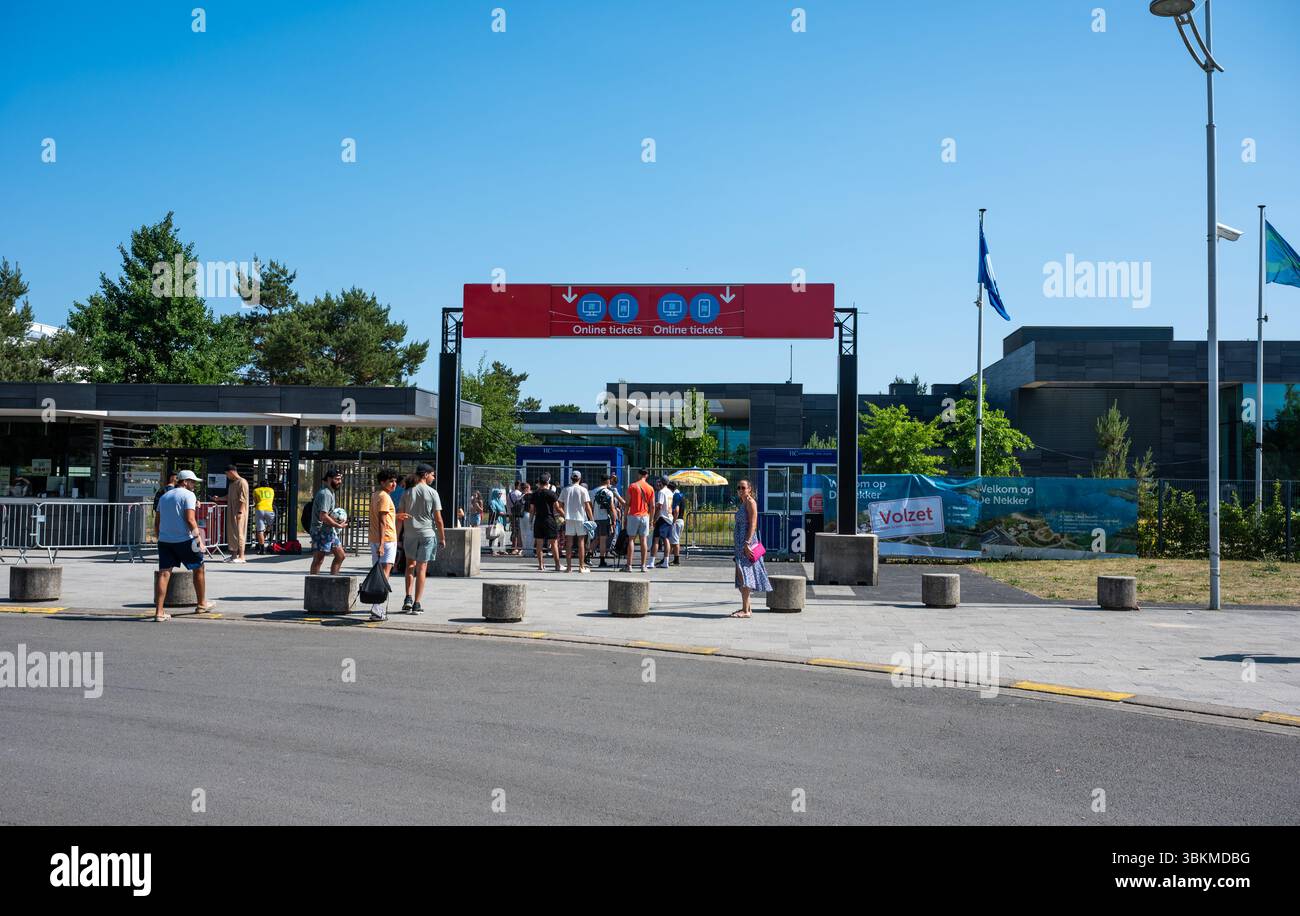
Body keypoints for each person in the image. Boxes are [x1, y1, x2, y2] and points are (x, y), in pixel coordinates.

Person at [153, 470, 216, 621]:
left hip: (165, 540)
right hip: (184, 539)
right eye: (193, 482)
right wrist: (198, 540)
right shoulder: (188, 495)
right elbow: (190, 519)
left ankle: (159, 612)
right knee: (199, 567)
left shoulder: (164, 496)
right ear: (185, 482)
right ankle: (201, 604)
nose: (194, 485)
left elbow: (157, 521)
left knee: (164, 573)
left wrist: (159, 536)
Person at [397, 463, 444, 614]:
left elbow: (400, 516)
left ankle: (407, 598)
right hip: (427, 534)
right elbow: (438, 519)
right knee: (422, 568)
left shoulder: (407, 492)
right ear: (425, 475)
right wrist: (442, 537)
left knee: (409, 566)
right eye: (432, 474)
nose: (434, 477)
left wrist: (397, 537)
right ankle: (417, 603)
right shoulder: (432, 493)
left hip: (409, 534)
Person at [731, 479, 772, 618]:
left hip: (746, 544)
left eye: (743, 487)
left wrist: (747, 543)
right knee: (742, 576)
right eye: (738, 488)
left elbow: (753, 524)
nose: (740, 490)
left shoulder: (750, 502)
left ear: (749, 489)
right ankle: (747, 607)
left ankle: (746, 610)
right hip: (740, 545)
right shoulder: (743, 503)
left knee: (745, 576)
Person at [367, 468, 399, 621]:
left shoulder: (376, 495)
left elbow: (384, 516)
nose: (394, 484)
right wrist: (381, 544)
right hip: (385, 540)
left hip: (376, 539)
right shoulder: (385, 497)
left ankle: (376, 606)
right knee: (384, 575)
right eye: (390, 481)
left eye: (395, 481)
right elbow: (382, 521)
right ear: (382, 482)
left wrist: (397, 515)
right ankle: (377, 607)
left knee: (380, 573)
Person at [309, 468, 348, 575]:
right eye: (337, 479)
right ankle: (314, 584)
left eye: (340, 479)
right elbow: (323, 516)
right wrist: (337, 525)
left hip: (329, 530)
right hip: (320, 531)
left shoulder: (330, 492)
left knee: (340, 556)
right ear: (329, 479)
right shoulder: (325, 494)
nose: (339, 481)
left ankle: (333, 579)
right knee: (319, 559)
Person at [559, 471, 594, 573]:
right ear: (580, 478)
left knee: (569, 543)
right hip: (581, 518)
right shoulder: (583, 490)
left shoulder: (566, 489)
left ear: (571, 478)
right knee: (581, 543)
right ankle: (581, 567)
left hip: (569, 518)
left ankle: (569, 567)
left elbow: (558, 505)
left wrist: (564, 514)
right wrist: (592, 519)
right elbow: (587, 506)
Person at [623, 468, 654, 572]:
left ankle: (629, 565)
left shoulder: (632, 486)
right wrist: (651, 520)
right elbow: (652, 506)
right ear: (647, 475)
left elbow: (627, 503)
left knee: (631, 539)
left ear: (639, 475)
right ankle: (643, 566)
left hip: (633, 515)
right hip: (645, 516)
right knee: (643, 540)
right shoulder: (650, 488)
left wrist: (625, 516)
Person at [530, 474, 563, 572]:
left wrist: (530, 521)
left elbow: (532, 509)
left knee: (539, 544)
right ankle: (557, 565)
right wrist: (565, 515)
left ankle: (541, 565)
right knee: (554, 543)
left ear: (539, 483)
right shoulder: (551, 493)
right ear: (547, 482)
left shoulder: (534, 494)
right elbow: (557, 507)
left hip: (538, 519)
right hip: (549, 519)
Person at [221, 464, 250, 563]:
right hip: (232, 512)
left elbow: (243, 498)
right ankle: (234, 556)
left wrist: (240, 512)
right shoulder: (232, 484)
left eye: (226, 474)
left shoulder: (242, 482)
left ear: (231, 472)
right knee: (232, 533)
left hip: (239, 513)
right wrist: (217, 498)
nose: (227, 476)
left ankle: (242, 557)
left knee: (240, 533)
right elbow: (229, 496)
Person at [591, 473, 619, 568]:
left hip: (595, 518)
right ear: (608, 481)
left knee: (597, 538)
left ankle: (587, 555)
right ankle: (602, 561)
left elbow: (590, 506)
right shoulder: (608, 492)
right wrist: (614, 520)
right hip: (604, 518)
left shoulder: (593, 491)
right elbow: (612, 508)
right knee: (602, 540)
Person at [649, 476, 673, 569]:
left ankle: (651, 561)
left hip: (662, 517)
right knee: (666, 539)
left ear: (661, 483)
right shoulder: (670, 492)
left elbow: (659, 506)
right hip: (669, 517)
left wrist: (654, 519)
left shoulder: (661, 492)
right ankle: (666, 561)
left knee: (656, 539)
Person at [252, 477, 277, 554]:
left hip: (259, 509)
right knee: (270, 525)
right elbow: (271, 500)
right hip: (269, 509)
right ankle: (267, 531)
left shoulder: (256, 490)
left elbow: (255, 501)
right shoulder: (271, 490)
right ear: (268, 485)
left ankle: (262, 549)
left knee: (259, 530)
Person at [668, 481, 685, 565]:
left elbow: (676, 510)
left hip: (677, 520)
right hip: (680, 520)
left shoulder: (676, 496)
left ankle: (676, 560)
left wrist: (673, 521)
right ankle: (666, 558)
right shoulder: (680, 494)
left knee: (675, 542)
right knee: (672, 541)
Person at [507, 479, 524, 554]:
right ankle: (519, 547)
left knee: (514, 530)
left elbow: (508, 505)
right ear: (519, 486)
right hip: (519, 515)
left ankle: (514, 546)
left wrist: (509, 513)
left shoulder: (509, 494)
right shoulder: (520, 494)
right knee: (519, 531)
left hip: (512, 514)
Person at [518, 480, 535, 557]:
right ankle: (530, 551)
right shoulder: (532, 496)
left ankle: (524, 550)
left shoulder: (521, 496)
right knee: (530, 533)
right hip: (529, 514)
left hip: (522, 515)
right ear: (528, 487)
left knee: (523, 533)